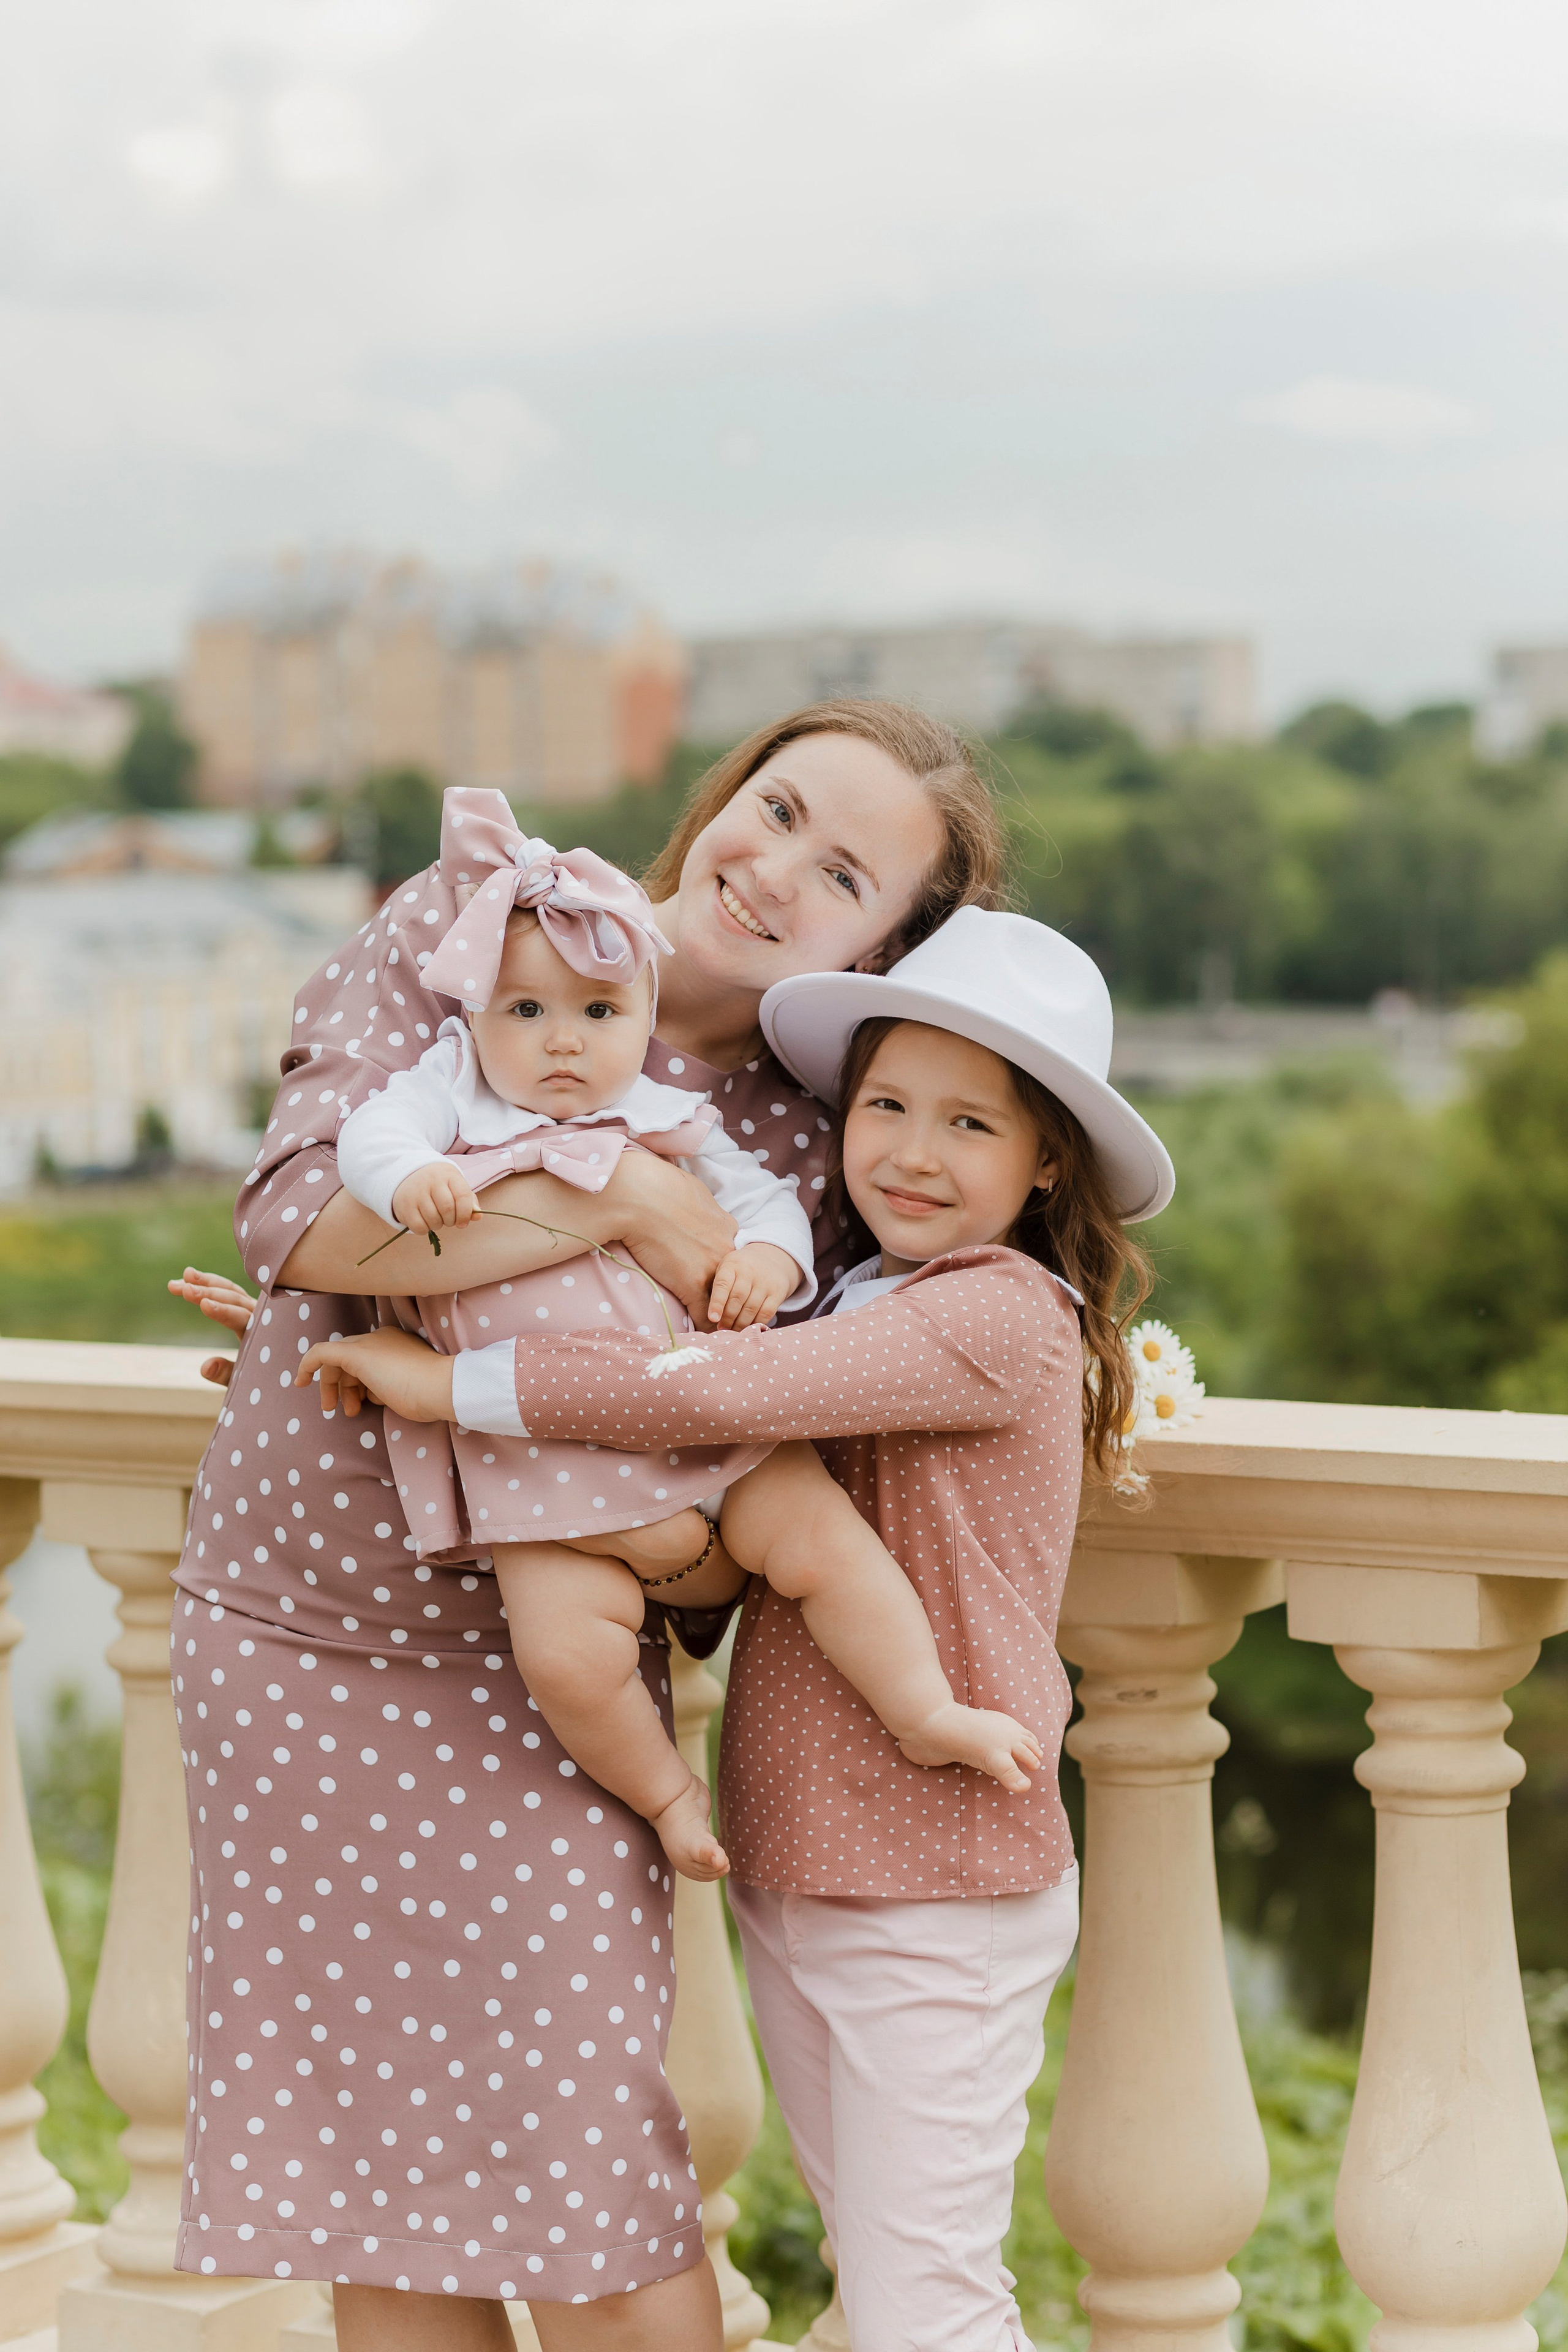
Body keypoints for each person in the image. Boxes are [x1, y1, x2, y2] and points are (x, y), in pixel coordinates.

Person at [168, 701, 1011, 2352]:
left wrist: (620, 1525)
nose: (772, 872)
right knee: (380, 2200)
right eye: (772, 812)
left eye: (840, 875)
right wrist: (620, 1200)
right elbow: (304, 1222)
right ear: (718, 801)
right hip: (292, 1636)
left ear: (878, 948)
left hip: (545, 1691)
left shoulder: (798, 1133)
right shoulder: (476, 923)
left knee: (599, 2186)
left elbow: (723, 1492)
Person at [295, 905, 1174, 2352]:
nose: (907, 1151)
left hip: (935, 1874)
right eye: (884, 1105)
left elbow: (705, 1399)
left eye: (968, 1125)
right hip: (812, 1853)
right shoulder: (857, 1296)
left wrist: (451, 1390)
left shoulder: (1000, 1311)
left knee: (926, 2308)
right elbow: (715, 1503)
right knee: (874, 2286)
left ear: (1044, 1163)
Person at [336, 795, 1036, 1880]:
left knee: (823, 1547)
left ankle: (923, 1706)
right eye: (524, 1010)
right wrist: (407, 1177)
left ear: (641, 1017)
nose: (562, 1040)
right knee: (568, 1655)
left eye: (601, 1014)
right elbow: (367, 1136)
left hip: (706, 1425)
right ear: (475, 1019)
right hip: (541, 1467)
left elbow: (763, 1208)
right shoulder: (456, 1100)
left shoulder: (668, 1115)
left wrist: (771, 1262)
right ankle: (666, 1799)